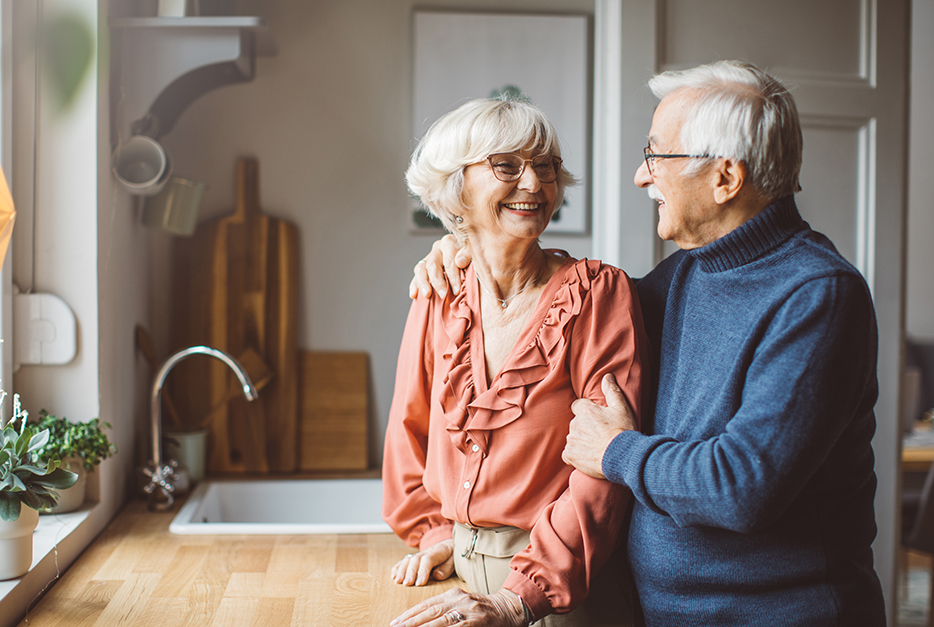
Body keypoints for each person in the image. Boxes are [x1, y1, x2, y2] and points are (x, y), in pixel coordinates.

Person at [411, 61, 887, 626]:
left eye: (657, 156)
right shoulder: (685, 277)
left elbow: (744, 485)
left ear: (725, 178)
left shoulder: (819, 296)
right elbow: (562, 306)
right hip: (667, 614)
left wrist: (614, 453)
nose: (642, 175)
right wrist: (466, 244)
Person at [383, 97, 650, 627]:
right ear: (455, 187)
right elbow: (406, 436)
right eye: (507, 165)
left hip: (562, 594)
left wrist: (520, 595)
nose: (534, 184)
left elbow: (604, 470)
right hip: (459, 581)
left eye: (545, 166)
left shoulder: (599, 294)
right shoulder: (439, 291)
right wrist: (438, 533)